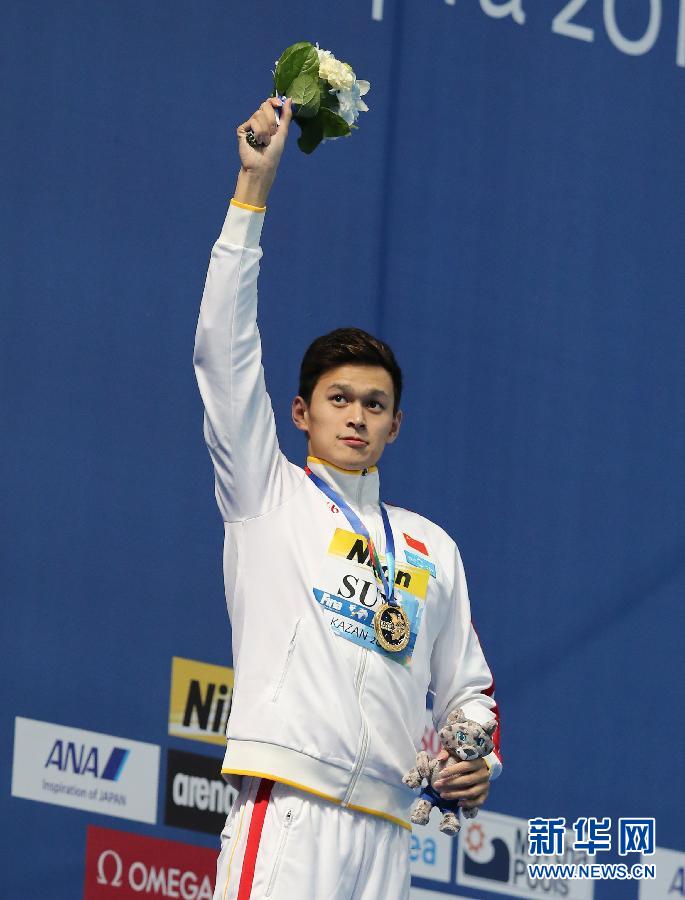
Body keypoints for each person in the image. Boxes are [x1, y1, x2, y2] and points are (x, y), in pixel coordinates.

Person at [193, 95, 502, 900]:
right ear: (301, 413)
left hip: (389, 833)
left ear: (396, 425)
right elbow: (223, 355)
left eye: (373, 404)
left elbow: (468, 688)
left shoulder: (432, 549)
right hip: (287, 812)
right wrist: (250, 194)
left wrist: (474, 759)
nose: (355, 416)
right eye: (338, 399)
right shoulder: (267, 498)